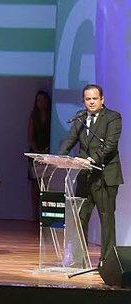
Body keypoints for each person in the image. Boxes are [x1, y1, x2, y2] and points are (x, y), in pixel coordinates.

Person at [58, 84, 123, 263]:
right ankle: (79, 259)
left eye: (95, 98)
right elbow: (70, 140)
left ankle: (107, 262)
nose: (91, 102)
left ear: (102, 99)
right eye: (88, 99)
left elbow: (110, 145)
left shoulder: (113, 117)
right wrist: (57, 158)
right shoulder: (80, 118)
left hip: (105, 176)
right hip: (84, 176)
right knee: (80, 217)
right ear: (83, 101)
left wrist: (92, 159)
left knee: (106, 218)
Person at [27, 90, 51, 220]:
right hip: (35, 153)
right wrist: (37, 151)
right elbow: (30, 137)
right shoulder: (34, 116)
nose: (40, 103)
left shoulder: (52, 115)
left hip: (49, 153)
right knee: (35, 184)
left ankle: (45, 213)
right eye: (38, 100)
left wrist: (47, 150)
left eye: (42, 100)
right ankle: (34, 214)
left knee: (47, 184)